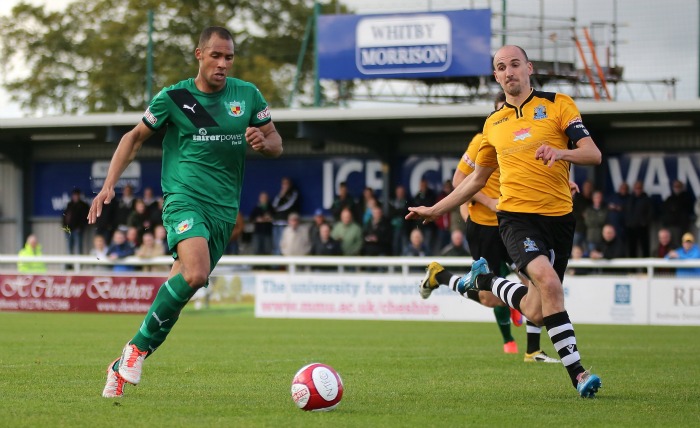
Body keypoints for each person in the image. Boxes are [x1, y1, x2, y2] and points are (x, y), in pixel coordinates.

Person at [89, 26, 283, 399]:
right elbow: (133, 138)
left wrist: (264, 142)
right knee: (195, 273)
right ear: (199, 54)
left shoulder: (247, 94)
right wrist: (109, 184)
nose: (223, 63)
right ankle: (134, 352)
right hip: (183, 199)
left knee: (179, 290)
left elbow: (275, 140)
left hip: (224, 211)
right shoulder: (175, 97)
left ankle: (127, 357)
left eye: (229, 57)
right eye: (216, 56)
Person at [407, 45, 602, 397]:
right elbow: (474, 179)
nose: (509, 71)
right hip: (515, 218)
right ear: (496, 77)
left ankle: (484, 279)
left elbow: (593, 153)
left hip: (559, 220)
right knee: (550, 285)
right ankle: (578, 374)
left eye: (515, 64)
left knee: (538, 310)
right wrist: (436, 209)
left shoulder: (559, 104)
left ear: (528, 68)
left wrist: (561, 153)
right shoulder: (492, 125)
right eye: (501, 67)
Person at [427, 91, 559, 361]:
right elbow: (459, 180)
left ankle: (533, 349)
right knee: (488, 298)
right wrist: (487, 203)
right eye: (502, 110)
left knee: (537, 281)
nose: (507, 114)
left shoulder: (527, 135)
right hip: (486, 227)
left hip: (515, 223)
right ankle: (440, 276)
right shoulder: (482, 140)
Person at [624, 180, 654, 258]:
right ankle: (632, 270)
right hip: (631, 228)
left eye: (639, 188)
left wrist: (644, 223)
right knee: (632, 249)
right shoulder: (629, 199)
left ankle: (646, 269)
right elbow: (626, 211)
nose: (638, 190)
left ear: (642, 188)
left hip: (642, 228)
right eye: (636, 188)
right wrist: (628, 223)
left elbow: (651, 213)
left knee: (645, 249)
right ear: (633, 189)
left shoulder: (646, 199)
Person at [271, 177, 300, 255]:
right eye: (283, 184)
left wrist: (278, 209)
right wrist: (281, 194)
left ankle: (282, 265)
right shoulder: (280, 194)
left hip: (284, 223)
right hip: (276, 223)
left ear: (290, 184)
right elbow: (274, 205)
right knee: (275, 245)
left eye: (286, 183)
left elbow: (288, 205)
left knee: (283, 245)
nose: (284, 185)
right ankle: (275, 266)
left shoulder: (293, 193)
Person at [661, 180, 694, 244]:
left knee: (681, 243)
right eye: (675, 186)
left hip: (682, 226)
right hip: (670, 225)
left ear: (682, 187)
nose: (676, 188)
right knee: (670, 244)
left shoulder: (686, 197)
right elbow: (664, 210)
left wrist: (676, 208)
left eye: (678, 186)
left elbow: (687, 209)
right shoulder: (670, 198)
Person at [62, 188, 90, 255]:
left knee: (78, 247)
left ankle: (79, 265)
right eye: (74, 195)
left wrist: (80, 228)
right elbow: (64, 217)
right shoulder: (69, 204)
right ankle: (69, 264)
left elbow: (85, 218)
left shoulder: (83, 206)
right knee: (69, 247)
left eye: (76, 195)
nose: (75, 197)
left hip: (77, 230)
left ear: (79, 196)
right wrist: (64, 227)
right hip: (68, 229)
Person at [249, 191, 275, 255]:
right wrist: (257, 219)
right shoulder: (256, 208)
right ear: (260, 198)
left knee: (267, 250)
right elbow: (251, 219)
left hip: (267, 233)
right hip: (258, 232)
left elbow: (275, 218)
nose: (264, 199)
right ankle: (256, 265)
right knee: (257, 249)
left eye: (265, 197)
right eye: (262, 197)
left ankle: (267, 265)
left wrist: (269, 219)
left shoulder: (271, 208)